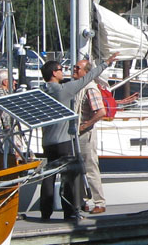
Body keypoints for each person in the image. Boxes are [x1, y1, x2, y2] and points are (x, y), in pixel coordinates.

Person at [38, 52, 117, 222]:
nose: (63, 71)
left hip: (46, 141)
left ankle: (45, 212)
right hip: (64, 141)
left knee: (48, 176)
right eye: (60, 70)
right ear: (54, 73)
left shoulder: (40, 92)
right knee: (69, 177)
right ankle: (71, 211)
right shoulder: (64, 90)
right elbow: (88, 77)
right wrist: (106, 63)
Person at [72, 59, 108, 215]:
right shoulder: (77, 87)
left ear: (86, 72)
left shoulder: (90, 88)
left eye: (77, 68)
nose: (74, 69)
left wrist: (85, 125)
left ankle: (99, 202)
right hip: (76, 134)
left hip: (86, 134)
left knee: (90, 168)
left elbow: (101, 112)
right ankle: (84, 201)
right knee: (78, 169)